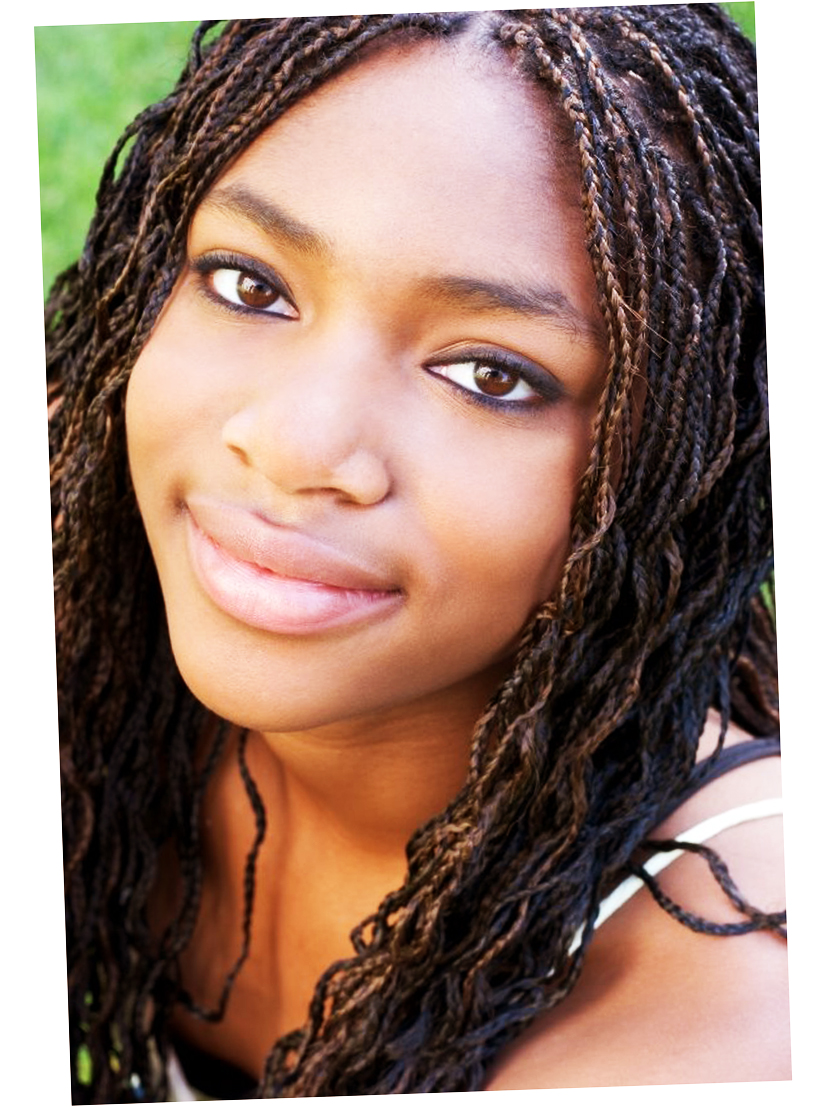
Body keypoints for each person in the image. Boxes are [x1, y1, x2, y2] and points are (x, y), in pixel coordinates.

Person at [46, 8, 787, 1103]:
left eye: (491, 374)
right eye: (252, 285)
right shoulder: (77, 568)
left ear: (681, 469)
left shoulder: (736, 1023)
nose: (297, 447)